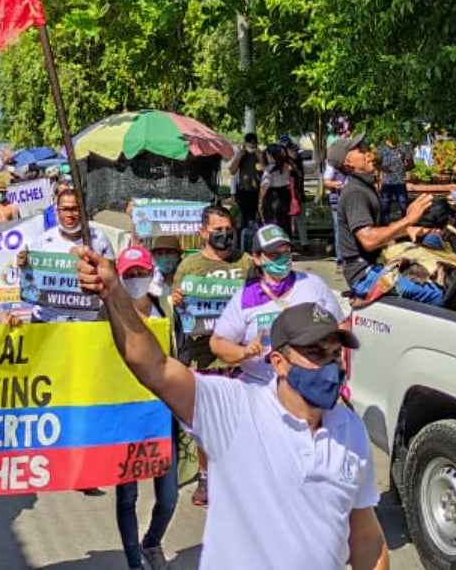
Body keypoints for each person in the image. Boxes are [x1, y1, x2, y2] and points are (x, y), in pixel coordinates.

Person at [77, 245, 390, 570]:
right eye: (316, 353)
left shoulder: (350, 430)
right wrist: (114, 293)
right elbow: (155, 367)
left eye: (335, 354)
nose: (329, 365)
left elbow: (366, 537)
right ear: (279, 363)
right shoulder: (234, 411)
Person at [167, 205, 253, 506]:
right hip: (203, 358)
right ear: (203, 232)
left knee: (240, 421)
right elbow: (178, 311)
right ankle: (206, 475)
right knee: (205, 422)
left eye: (228, 230)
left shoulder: (246, 263)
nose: (224, 235)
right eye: (217, 230)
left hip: (241, 357)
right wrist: (175, 301)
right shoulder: (189, 267)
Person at [105, 246, 178, 570]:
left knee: (168, 497)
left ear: (151, 274)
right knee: (127, 498)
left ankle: (151, 542)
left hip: (162, 415)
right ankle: (134, 560)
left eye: (141, 273)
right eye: (129, 274)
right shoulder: (108, 314)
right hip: (124, 417)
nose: (135, 279)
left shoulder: (166, 309)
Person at [209, 225, 345, 384]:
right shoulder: (246, 298)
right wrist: (245, 351)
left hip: (311, 385)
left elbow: (341, 325)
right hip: (262, 386)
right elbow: (218, 343)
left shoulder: (313, 284)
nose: (282, 258)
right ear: (257, 259)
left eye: (286, 252)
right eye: (274, 254)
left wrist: (336, 360)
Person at [331, 132, 443, 304]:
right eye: (360, 150)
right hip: (365, 276)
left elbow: (381, 231)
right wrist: (408, 220)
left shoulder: (364, 187)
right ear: (348, 162)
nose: (368, 152)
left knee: (435, 248)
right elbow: (369, 240)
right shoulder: (355, 193)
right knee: (437, 294)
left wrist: (409, 230)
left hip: (375, 265)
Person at [18, 187, 115, 322]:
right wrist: (24, 267)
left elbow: (112, 279)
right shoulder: (41, 242)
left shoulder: (99, 239)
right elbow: (30, 282)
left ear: (82, 211)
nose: (70, 214)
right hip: (47, 320)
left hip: (86, 322)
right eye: (65, 209)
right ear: (57, 212)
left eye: (74, 209)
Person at [229, 133, 262, 238]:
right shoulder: (241, 154)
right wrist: (239, 156)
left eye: (254, 143)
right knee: (243, 218)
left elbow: (266, 169)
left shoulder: (260, 154)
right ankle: (241, 241)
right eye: (249, 143)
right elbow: (232, 170)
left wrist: (260, 157)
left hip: (256, 191)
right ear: (245, 143)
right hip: (243, 190)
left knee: (255, 218)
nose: (252, 145)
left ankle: (254, 239)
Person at [258, 145, 295, 236]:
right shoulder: (286, 166)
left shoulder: (269, 169)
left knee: (273, 221)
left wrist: (260, 201)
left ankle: (275, 242)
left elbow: (264, 186)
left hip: (273, 196)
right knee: (285, 221)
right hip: (285, 194)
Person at [376, 136, 410, 218]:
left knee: (404, 205)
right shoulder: (382, 148)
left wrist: (401, 169)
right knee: (384, 206)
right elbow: (377, 164)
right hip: (387, 182)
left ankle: (406, 225)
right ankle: (385, 226)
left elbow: (411, 164)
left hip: (400, 182)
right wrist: (385, 169)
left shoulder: (403, 147)